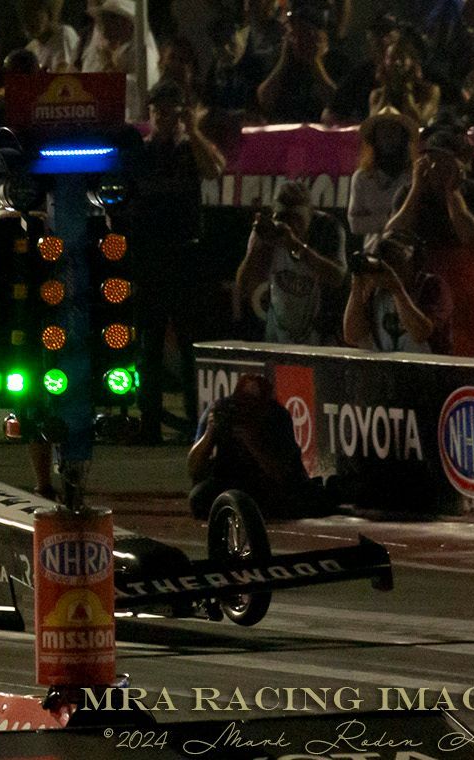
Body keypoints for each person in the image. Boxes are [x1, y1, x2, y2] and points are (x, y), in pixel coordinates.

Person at [133, 81, 225, 443]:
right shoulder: (141, 152)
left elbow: (215, 169)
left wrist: (195, 132)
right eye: (158, 110)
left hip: (184, 254)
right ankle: (149, 421)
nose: (164, 117)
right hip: (151, 255)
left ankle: (193, 422)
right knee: (148, 343)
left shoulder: (190, 150)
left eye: (171, 110)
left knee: (189, 344)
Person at [188, 373, 334, 520]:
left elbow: (282, 474)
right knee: (199, 499)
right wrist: (210, 433)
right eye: (242, 403)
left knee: (296, 501)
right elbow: (193, 468)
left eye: (251, 405)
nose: (245, 410)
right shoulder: (222, 411)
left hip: (265, 483)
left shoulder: (277, 416)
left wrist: (251, 442)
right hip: (228, 479)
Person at [234, 181, 346, 346]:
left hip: (321, 336)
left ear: (310, 215)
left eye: (296, 218)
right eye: (282, 217)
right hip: (279, 336)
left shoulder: (326, 229)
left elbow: (338, 278)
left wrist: (297, 247)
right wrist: (257, 248)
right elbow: (244, 285)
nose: (290, 225)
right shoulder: (269, 232)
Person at [384, 124, 474, 256]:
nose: (434, 167)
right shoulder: (407, 192)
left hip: (463, 264)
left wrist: (452, 192)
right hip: (421, 264)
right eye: (430, 160)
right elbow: (392, 236)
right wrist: (416, 189)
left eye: (443, 161)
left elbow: (472, 239)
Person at [343, 230, 454, 354]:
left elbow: (420, 333)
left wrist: (397, 289)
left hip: (426, 369)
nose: (392, 267)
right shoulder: (374, 289)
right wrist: (357, 285)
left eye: (396, 260)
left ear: (414, 261)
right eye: (387, 261)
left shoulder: (431, 286)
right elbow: (353, 336)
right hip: (385, 370)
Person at [256, 0, 345, 123]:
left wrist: (315, 62)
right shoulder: (279, 56)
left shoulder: (336, 59)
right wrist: (284, 60)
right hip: (285, 129)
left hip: (320, 133)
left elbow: (337, 105)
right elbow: (264, 100)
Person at [348, 109, 418, 252]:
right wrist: (393, 219)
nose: (388, 136)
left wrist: (374, 220)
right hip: (374, 252)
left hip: (409, 252)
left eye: (393, 130)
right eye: (383, 131)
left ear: (403, 136)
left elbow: (418, 220)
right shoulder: (363, 177)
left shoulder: (415, 176)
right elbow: (355, 224)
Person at [325, 13, 400, 124]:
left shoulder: (413, 73)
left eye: (387, 34)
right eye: (378, 35)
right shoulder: (359, 74)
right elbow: (330, 114)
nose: (384, 40)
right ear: (369, 39)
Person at [368, 28, 441, 125]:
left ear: (412, 61)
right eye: (392, 58)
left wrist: (407, 90)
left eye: (402, 57)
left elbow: (419, 122)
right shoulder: (376, 95)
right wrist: (387, 88)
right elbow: (374, 123)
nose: (397, 63)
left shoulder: (430, 91)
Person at [19, 0, 81, 72]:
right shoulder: (31, 48)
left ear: (49, 13)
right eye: (27, 14)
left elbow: (63, 76)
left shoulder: (64, 34)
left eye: (37, 12)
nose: (32, 21)